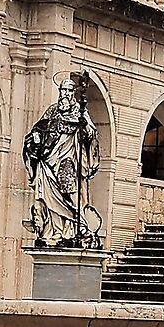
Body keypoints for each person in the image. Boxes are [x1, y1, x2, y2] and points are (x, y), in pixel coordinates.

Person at [23, 74, 102, 249]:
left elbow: (91, 135)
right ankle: (52, 231)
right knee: (44, 195)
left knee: (70, 192)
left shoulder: (80, 112)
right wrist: (35, 137)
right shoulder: (52, 111)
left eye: (68, 90)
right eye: (62, 90)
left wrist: (84, 128)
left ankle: (76, 225)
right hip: (48, 159)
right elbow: (39, 128)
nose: (65, 94)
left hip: (68, 159)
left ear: (73, 93)